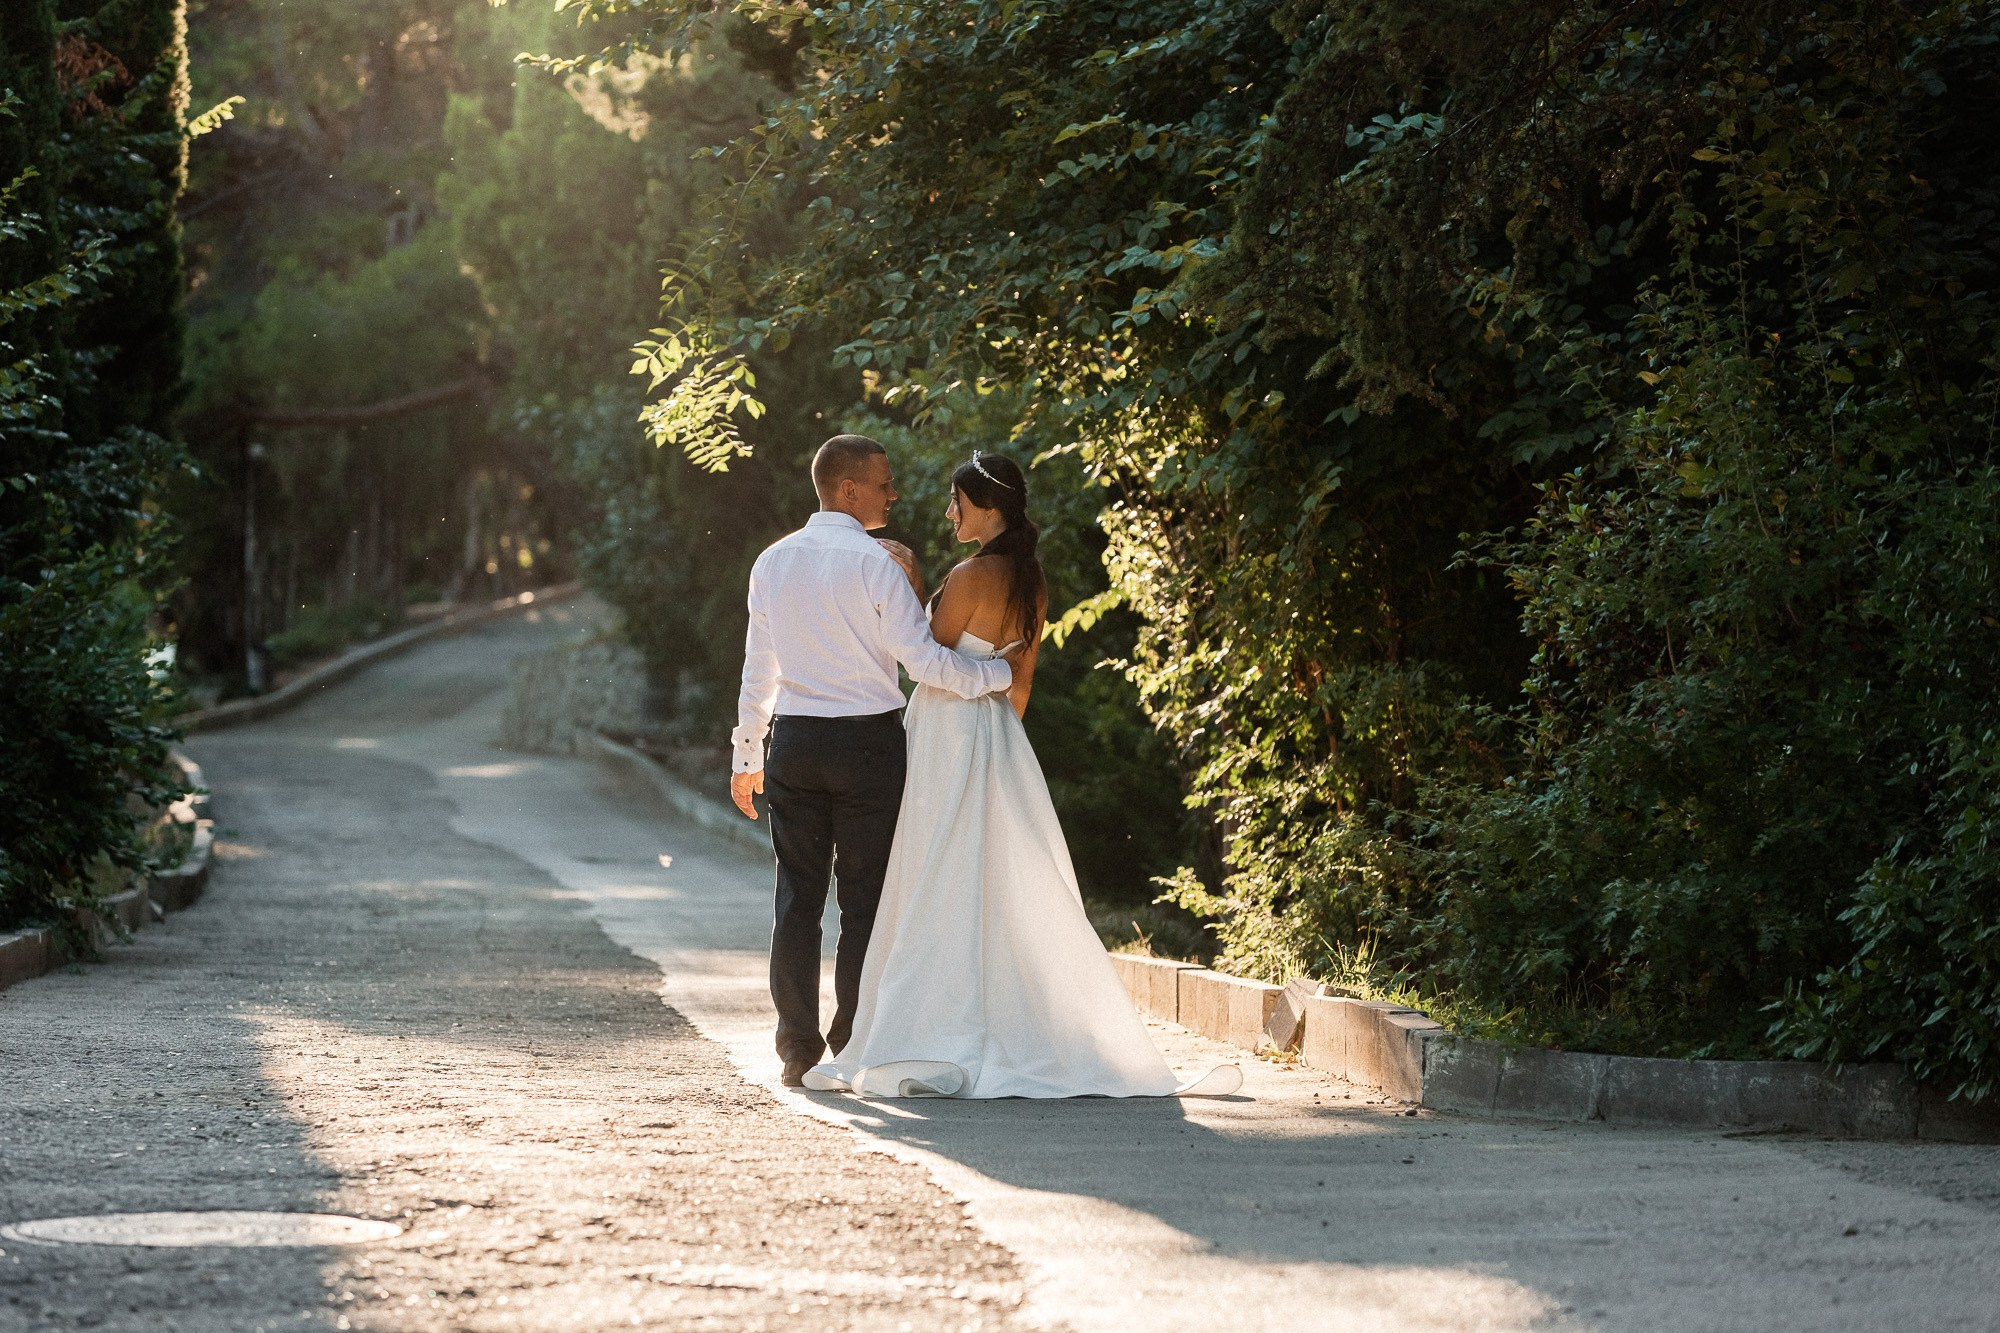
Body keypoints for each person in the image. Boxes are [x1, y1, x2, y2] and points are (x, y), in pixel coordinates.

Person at [801, 450, 1239, 1098]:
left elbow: (923, 657)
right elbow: (1021, 681)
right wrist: (1000, 747)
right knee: (992, 876)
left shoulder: (970, 574)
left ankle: (927, 1027)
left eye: (958, 501)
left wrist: (913, 581)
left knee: (934, 872)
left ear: (989, 507)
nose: (950, 511)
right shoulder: (1031, 579)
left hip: (946, 731)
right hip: (999, 734)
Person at [730, 435, 1028, 1087]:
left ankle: (797, 1046)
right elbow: (922, 661)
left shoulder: (772, 562)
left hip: (796, 742)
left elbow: (760, 668)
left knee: (796, 898)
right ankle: (853, 1037)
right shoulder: (876, 566)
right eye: (884, 482)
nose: (894, 492)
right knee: (865, 901)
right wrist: (996, 678)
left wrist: (746, 752)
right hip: (867, 745)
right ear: (848, 489)